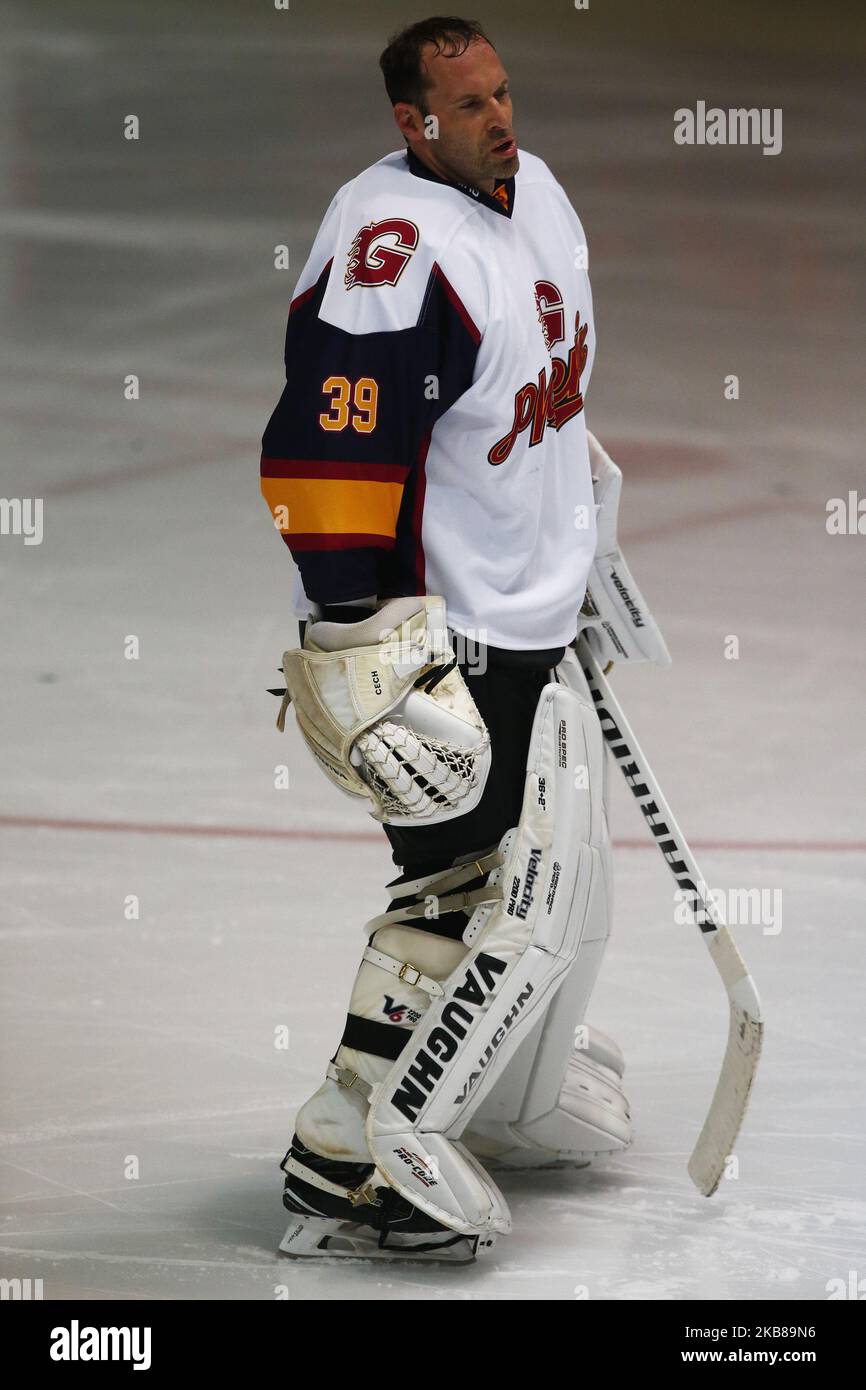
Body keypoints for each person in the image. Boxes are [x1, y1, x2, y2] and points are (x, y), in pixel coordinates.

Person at [260, 16, 666, 1263]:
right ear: (409, 121)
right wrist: (359, 641)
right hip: (451, 637)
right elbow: (324, 455)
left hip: (536, 611)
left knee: (542, 884)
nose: (498, 117)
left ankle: (471, 1096)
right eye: (467, 103)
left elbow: (548, 396)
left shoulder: (531, 192)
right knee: (461, 894)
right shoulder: (391, 251)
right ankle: (340, 1154)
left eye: (502, 93)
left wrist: (578, 544)